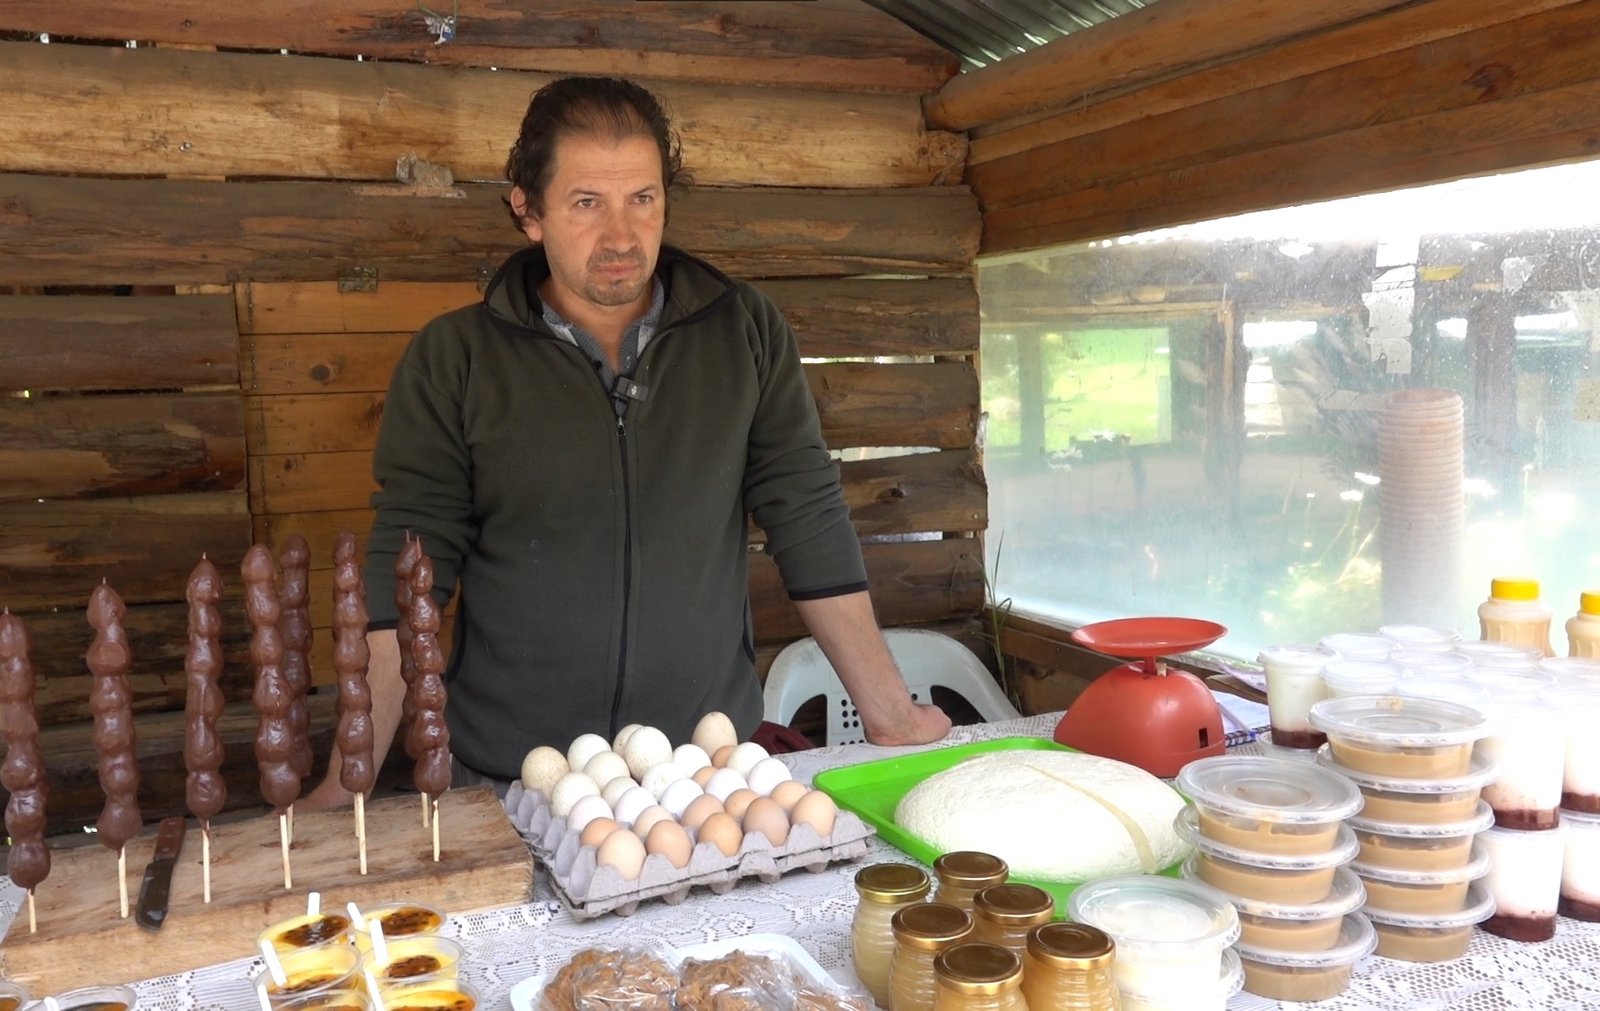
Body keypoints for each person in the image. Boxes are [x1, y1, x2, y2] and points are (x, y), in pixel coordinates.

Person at [305, 76, 948, 806]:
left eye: (642, 199)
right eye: (587, 203)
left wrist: (891, 714)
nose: (621, 235)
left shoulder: (743, 332)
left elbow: (807, 515)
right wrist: (343, 782)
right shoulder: (456, 358)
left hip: (707, 775)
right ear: (528, 209)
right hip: (514, 777)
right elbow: (408, 576)